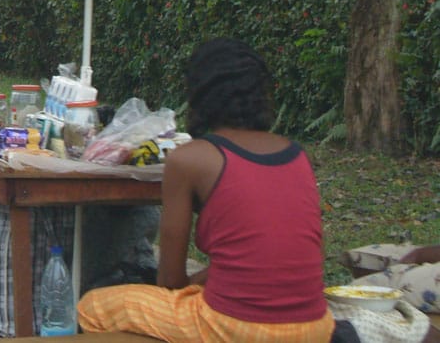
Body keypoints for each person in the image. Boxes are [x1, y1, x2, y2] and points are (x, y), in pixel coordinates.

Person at [77, 37, 335, 342]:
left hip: (234, 327)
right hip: (316, 326)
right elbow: (287, 258)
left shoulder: (190, 159)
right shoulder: (297, 154)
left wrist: (194, 284)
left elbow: (170, 281)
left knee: (92, 306)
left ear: (201, 95)